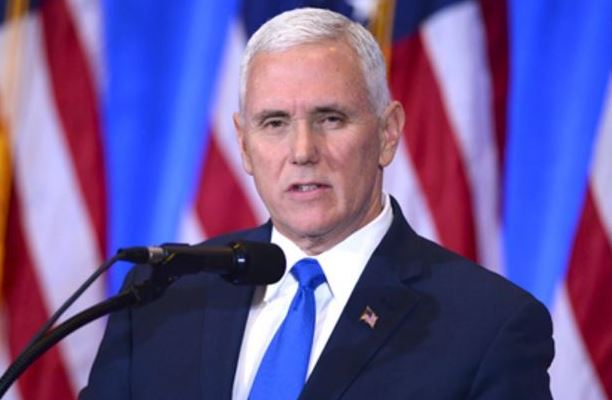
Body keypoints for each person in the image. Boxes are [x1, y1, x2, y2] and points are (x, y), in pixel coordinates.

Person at [81, 8, 554, 399]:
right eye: (274, 123)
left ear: (387, 133)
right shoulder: (164, 297)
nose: (303, 151)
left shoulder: (489, 327)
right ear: (243, 145)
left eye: (330, 118)